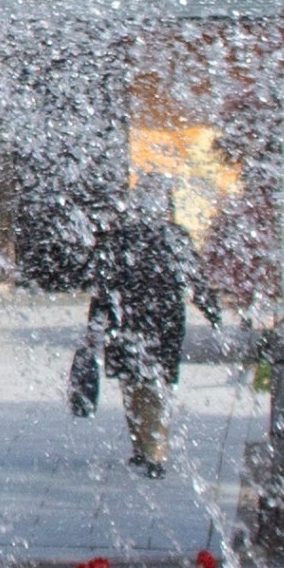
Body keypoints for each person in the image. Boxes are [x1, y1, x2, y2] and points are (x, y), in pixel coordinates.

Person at [78, 178, 194, 476]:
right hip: (164, 322)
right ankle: (151, 451)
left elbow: (102, 288)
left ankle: (147, 450)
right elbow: (195, 276)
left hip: (127, 320)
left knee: (134, 384)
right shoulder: (174, 237)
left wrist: (95, 327)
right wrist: (212, 310)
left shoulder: (118, 238)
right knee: (152, 385)